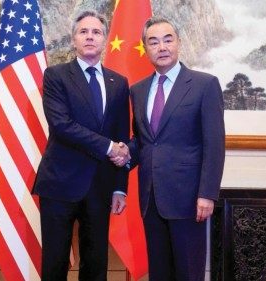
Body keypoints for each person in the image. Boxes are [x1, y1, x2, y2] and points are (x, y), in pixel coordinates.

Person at [112, 17, 225, 281]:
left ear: (179, 43)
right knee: (159, 274)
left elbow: (214, 144)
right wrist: (123, 153)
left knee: (188, 273)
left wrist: (207, 194)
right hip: (151, 199)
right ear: (146, 48)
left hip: (189, 200)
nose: (161, 47)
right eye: (153, 41)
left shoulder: (204, 85)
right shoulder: (138, 91)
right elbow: (143, 142)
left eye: (167, 39)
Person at [32, 10, 130, 281]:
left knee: (96, 265)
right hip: (60, 184)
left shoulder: (118, 83)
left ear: (104, 40)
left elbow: (122, 136)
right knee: (55, 264)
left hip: (100, 187)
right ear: (73, 39)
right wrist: (110, 147)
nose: (90, 36)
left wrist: (120, 186)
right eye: (83, 32)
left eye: (96, 32)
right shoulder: (56, 76)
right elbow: (62, 125)